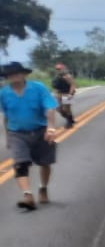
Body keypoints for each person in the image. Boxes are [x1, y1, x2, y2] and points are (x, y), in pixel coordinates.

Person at [1, 62, 61, 211]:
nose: (13, 77)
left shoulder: (38, 88)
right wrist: (7, 136)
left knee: (45, 163)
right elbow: (6, 116)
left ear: (24, 74)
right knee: (20, 164)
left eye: (16, 73)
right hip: (17, 133)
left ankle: (43, 188)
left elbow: (50, 108)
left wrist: (51, 128)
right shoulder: (4, 93)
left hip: (41, 131)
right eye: (10, 75)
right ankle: (28, 196)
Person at [51, 62, 76, 128]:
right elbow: (55, 86)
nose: (58, 70)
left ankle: (69, 122)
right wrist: (55, 94)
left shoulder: (67, 76)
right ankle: (70, 118)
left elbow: (73, 85)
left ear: (63, 69)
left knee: (66, 109)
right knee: (58, 109)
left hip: (67, 93)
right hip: (59, 93)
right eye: (57, 69)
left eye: (59, 69)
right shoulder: (56, 77)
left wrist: (70, 94)